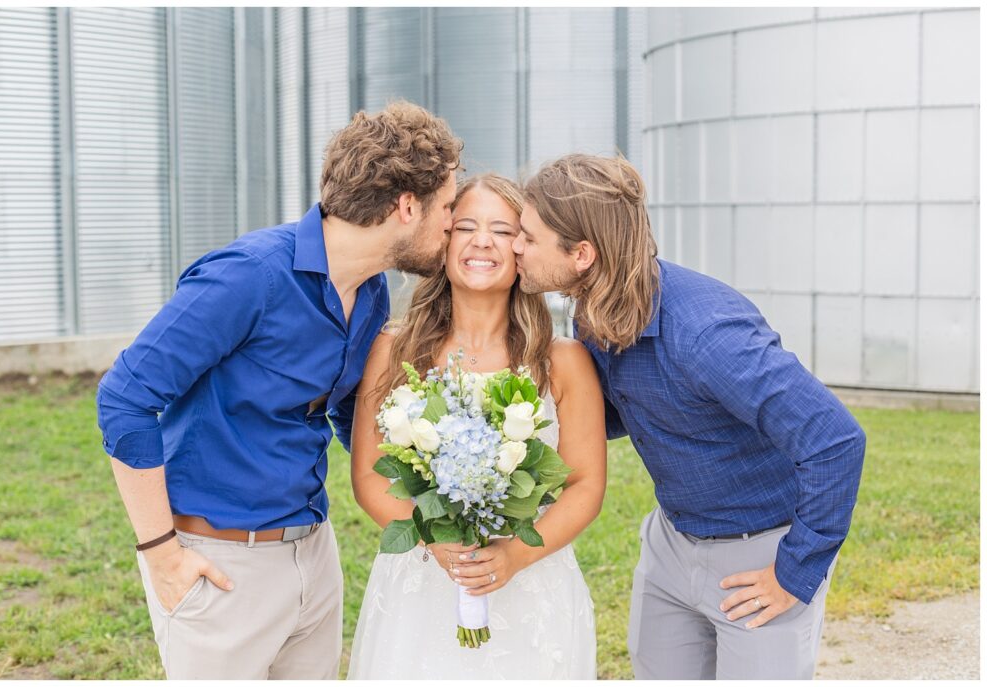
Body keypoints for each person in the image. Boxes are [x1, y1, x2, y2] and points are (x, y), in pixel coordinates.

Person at [95, 101, 462, 680]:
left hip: (314, 556)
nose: (453, 223)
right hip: (219, 568)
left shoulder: (369, 294)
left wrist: (437, 484)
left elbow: (345, 415)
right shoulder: (247, 276)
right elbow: (124, 398)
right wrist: (161, 554)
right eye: (448, 206)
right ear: (407, 206)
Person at [512, 154, 866, 680]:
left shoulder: (707, 336)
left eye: (528, 236)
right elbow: (629, 407)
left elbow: (834, 440)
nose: (515, 245)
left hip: (759, 555)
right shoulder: (592, 308)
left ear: (581, 253)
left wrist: (794, 574)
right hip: (671, 546)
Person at [347, 174, 606, 679]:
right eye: (465, 226)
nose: (481, 240)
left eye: (503, 230)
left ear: (524, 250)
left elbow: (586, 485)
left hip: (532, 578)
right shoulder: (394, 351)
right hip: (424, 577)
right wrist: (432, 540)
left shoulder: (563, 361)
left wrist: (511, 558)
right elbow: (369, 477)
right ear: (443, 244)